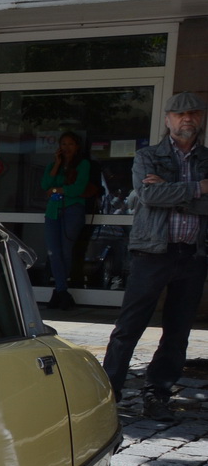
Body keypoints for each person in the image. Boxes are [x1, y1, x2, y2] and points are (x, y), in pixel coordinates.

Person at [101, 91, 208, 422]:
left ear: (201, 119)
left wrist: (170, 191)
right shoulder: (148, 156)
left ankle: (157, 393)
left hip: (193, 255)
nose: (186, 118)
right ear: (167, 120)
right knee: (128, 326)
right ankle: (109, 392)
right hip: (152, 252)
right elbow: (146, 193)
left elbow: (163, 196)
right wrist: (199, 188)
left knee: (177, 332)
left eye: (192, 113)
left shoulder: (206, 159)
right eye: (178, 114)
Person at [40, 132, 89, 310]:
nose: (67, 148)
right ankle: (61, 290)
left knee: (66, 251)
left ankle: (60, 291)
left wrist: (57, 190)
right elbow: (45, 185)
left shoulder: (83, 165)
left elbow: (77, 188)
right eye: (64, 144)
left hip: (72, 210)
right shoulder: (54, 165)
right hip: (53, 211)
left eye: (70, 144)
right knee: (53, 252)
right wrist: (57, 165)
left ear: (77, 147)